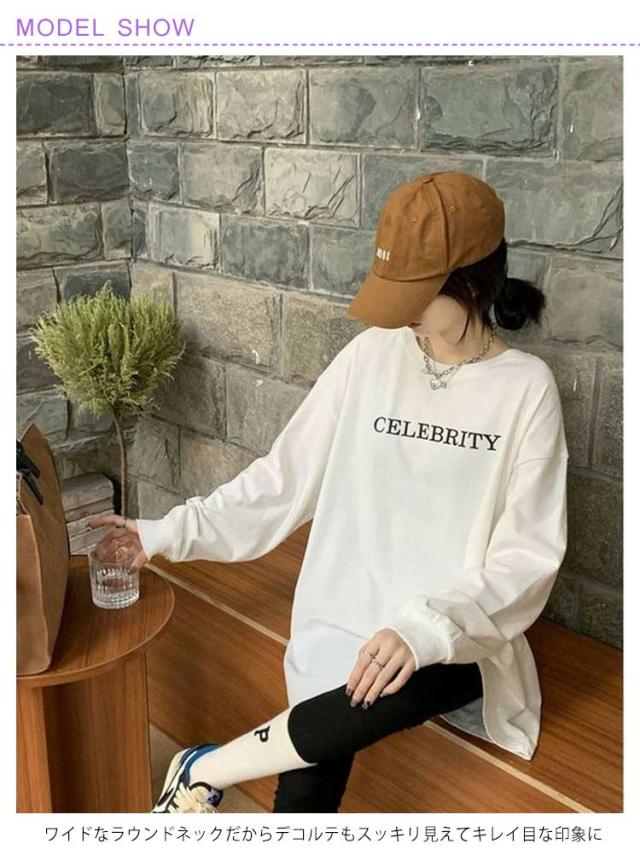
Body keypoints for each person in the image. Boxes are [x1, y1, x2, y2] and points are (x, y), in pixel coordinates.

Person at [89, 171, 569, 814]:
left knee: (379, 684)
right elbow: (281, 479)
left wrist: (422, 628)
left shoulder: (526, 388)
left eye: (419, 294)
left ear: (474, 280)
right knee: (316, 764)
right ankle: (207, 772)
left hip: (455, 631)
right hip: (346, 608)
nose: (403, 314)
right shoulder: (372, 356)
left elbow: (526, 559)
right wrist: (166, 532)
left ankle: (208, 767)